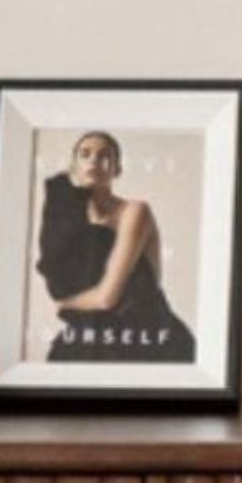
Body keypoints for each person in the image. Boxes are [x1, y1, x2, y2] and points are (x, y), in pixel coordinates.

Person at [36, 131, 197, 364]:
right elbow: (56, 278)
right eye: (85, 154)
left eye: (104, 156)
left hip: (145, 332)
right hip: (94, 330)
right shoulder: (70, 222)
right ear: (73, 166)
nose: (93, 161)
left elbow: (106, 298)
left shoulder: (134, 211)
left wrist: (64, 305)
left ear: (117, 169)